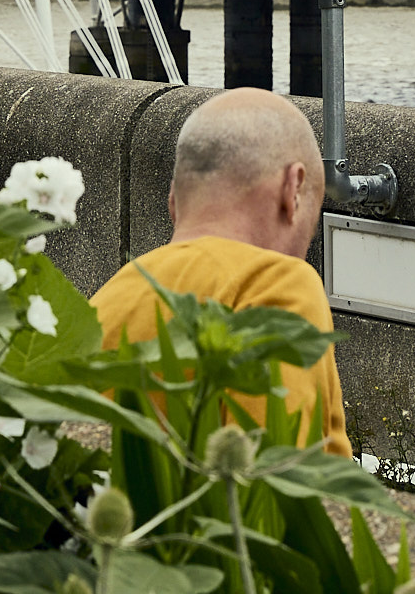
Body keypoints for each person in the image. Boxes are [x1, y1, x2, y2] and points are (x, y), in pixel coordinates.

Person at [91, 88, 351, 456]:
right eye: (308, 231)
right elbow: (279, 491)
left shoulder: (107, 303)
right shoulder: (275, 283)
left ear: (173, 201)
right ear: (292, 190)